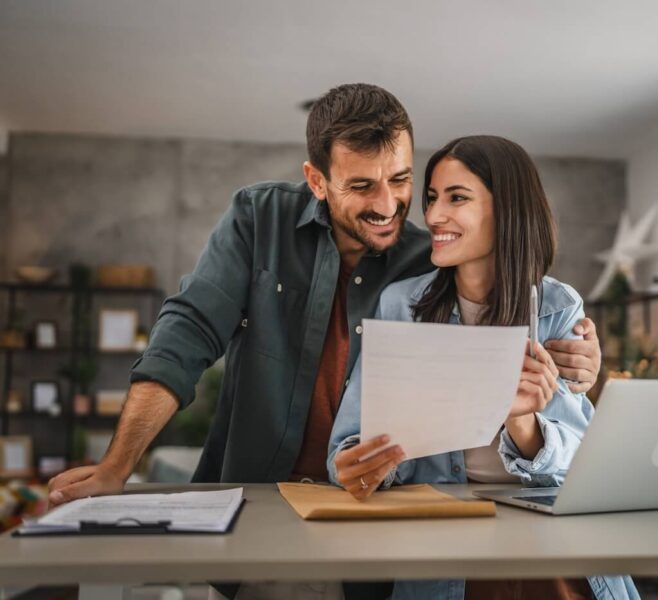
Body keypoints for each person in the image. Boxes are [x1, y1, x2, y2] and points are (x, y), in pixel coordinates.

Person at [46, 85, 604, 599]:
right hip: (261, 503)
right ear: (318, 181)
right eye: (361, 185)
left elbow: (531, 363)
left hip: (378, 533)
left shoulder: (431, 262)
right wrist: (118, 465)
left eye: (403, 180)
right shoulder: (260, 219)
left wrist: (580, 363)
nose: (391, 206)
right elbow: (187, 331)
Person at [328, 135, 640, 600]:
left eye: (457, 198)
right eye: (432, 199)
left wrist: (521, 420)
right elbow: (349, 443)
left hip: (550, 547)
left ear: (507, 210)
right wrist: (362, 466)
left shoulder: (558, 307)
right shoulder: (401, 305)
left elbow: (579, 465)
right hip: (446, 551)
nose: (433, 216)